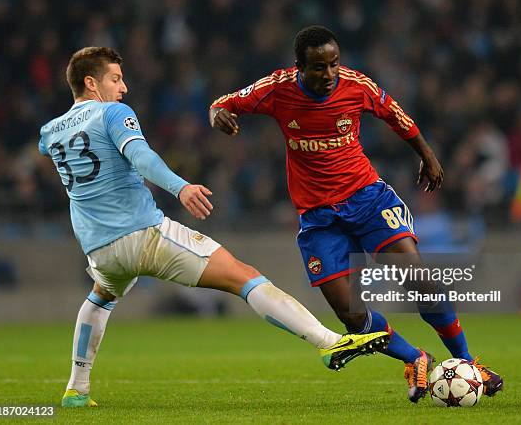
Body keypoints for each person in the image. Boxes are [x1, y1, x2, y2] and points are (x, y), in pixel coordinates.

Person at [38, 47, 389, 408]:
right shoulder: (113, 113)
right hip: (144, 233)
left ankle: (76, 390)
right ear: (90, 82)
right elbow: (140, 156)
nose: (123, 88)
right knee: (245, 277)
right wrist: (181, 187)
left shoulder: (49, 132)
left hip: (99, 248)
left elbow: (53, 150)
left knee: (100, 297)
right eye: (115, 79)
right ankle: (328, 342)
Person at [209, 26, 503, 402]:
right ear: (299, 66)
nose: (329, 74)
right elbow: (223, 103)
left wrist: (426, 155)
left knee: (420, 280)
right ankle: (415, 358)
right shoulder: (276, 88)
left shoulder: (356, 85)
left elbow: (398, 116)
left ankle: (468, 363)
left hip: (367, 199)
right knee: (351, 316)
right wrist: (217, 114)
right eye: (318, 67)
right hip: (318, 218)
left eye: (333, 64)